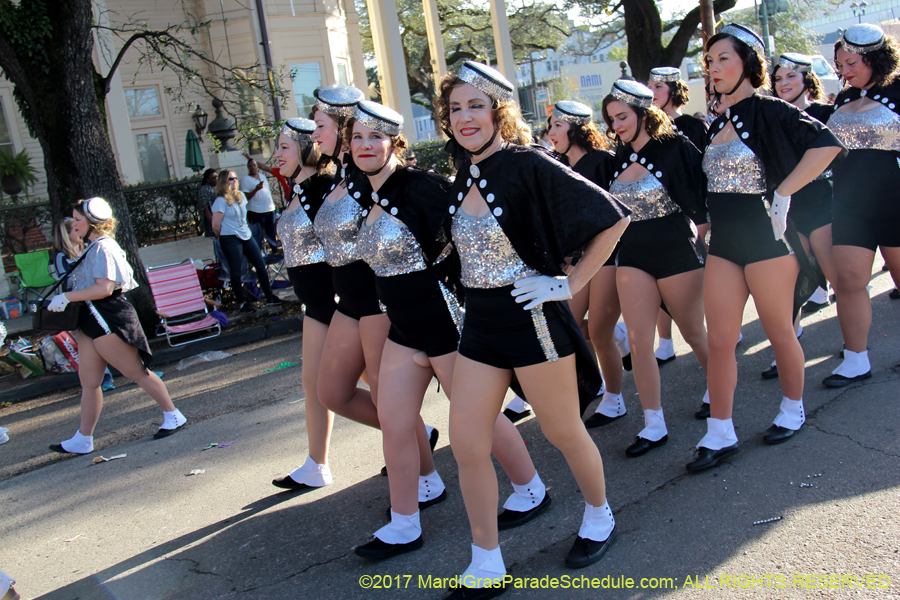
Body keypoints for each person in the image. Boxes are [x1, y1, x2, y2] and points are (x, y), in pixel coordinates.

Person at [437, 61, 630, 597]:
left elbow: (613, 217)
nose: (465, 117)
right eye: (456, 108)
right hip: (480, 327)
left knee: (563, 431)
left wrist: (566, 284)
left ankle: (599, 515)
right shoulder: (465, 172)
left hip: (532, 320)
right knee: (467, 442)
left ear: (499, 110)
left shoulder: (527, 163)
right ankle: (485, 558)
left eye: (476, 105)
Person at [347, 101, 550, 560]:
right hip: (403, 329)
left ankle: (531, 487)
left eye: (374, 137)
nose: (365, 145)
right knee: (394, 423)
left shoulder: (423, 187)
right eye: (357, 137)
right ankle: (403, 524)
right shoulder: (366, 190)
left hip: (445, 323)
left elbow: (479, 232)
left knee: (476, 418)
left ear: (394, 143)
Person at [687, 24, 844, 473]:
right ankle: (720, 431)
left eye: (723, 59)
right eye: (710, 61)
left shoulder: (771, 110)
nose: (714, 68)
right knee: (720, 340)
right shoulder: (717, 118)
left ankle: (792, 408)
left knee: (779, 330)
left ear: (748, 64)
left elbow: (828, 145)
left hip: (768, 241)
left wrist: (785, 191)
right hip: (724, 245)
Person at [310, 85, 440, 491]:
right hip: (348, 301)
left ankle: (423, 473)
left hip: (377, 302)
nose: (314, 135)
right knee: (332, 392)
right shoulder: (335, 177)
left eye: (320, 126)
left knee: (390, 400)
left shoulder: (370, 178)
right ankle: (415, 437)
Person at [601, 80, 711, 457]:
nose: (616, 125)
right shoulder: (615, 157)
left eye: (622, 116)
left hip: (675, 251)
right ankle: (653, 423)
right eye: (611, 119)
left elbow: (702, 191)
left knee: (693, 331)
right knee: (637, 341)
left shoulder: (676, 147)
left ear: (644, 114)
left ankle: (718, 390)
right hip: (631, 255)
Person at [47, 198, 187, 455]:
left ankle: (173, 414)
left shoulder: (103, 247)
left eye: (78, 219)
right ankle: (83, 438)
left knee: (136, 372)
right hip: (91, 319)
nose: (73, 224)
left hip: (108, 317)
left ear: (92, 223)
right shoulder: (93, 247)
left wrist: (66, 297)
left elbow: (105, 288)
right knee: (89, 382)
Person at [825, 24, 900, 387]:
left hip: (895, 201)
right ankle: (856, 359)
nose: (844, 71)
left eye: (851, 62)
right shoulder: (840, 100)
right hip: (850, 203)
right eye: (839, 65)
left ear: (874, 58)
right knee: (849, 280)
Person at [545, 100, 627, 430]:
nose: (550, 133)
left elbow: (620, 214)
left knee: (599, 330)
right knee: (572, 327)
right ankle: (584, 388)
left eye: (556, 126)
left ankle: (615, 399)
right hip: (575, 261)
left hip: (609, 256)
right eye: (549, 126)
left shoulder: (604, 162)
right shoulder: (556, 167)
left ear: (576, 128)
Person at [268, 118, 338, 492]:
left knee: (342, 386)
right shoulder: (298, 189)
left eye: (283, 147)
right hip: (315, 304)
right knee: (315, 386)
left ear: (305, 148)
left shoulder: (322, 186)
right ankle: (316, 464)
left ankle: (415, 438)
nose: (276, 154)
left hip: (334, 302)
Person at [761, 52, 838, 379]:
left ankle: (855, 346)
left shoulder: (824, 112)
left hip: (822, 201)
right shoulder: (771, 116)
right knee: (792, 278)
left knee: (839, 277)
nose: (783, 84)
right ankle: (788, 348)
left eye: (790, 77)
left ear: (806, 78)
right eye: (778, 79)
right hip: (786, 208)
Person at [648, 66, 712, 366]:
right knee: (660, 277)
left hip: (693, 210)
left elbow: (703, 170)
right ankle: (665, 341)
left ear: (673, 90)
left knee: (705, 273)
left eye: (658, 86)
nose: (652, 92)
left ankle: (716, 327)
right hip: (661, 215)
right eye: (650, 86)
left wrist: (703, 212)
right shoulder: (646, 130)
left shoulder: (691, 125)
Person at [52, 218, 116, 392]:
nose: (80, 231)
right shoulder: (61, 256)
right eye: (75, 229)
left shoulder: (88, 249)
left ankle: (139, 370)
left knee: (116, 336)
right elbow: (67, 282)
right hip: (80, 305)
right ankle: (104, 379)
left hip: (97, 300)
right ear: (67, 234)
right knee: (92, 342)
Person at [211, 169, 282, 313]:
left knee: (260, 264)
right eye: (231, 179)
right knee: (236, 271)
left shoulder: (241, 196)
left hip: (245, 235)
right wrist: (223, 237)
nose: (235, 181)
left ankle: (268, 296)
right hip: (230, 238)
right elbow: (215, 225)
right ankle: (242, 303)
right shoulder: (220, 201)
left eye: (236, 178)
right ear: (224, 182)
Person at [241, 159, 281, 253]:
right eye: (250, 166)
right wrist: (256, 189)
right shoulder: (246, 180)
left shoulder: (262, 176)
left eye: (254, 165)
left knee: (271, 232)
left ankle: (274, 252)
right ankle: (259, 253)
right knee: (259, 234)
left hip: (269, 208)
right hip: (256, 210)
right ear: (248, 167)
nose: (253, 167)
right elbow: (245, 197)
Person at [197, 169, 217, 238]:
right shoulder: (205, 189)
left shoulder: (216, 188)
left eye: (216, 176)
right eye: (213, 177)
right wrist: (213, 223)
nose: (216, 179)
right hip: (211, 222)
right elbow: (205, 209)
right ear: (207, 179)